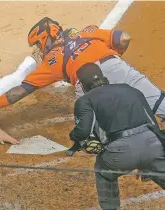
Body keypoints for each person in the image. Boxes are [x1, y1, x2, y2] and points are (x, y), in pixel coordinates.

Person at [0, 17, 165, 124]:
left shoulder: (51, 61)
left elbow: (18, 92)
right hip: (116, 66)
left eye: (37, 44)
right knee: (158, 103)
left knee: (92, 126)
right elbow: (124, 38)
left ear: (45, 38)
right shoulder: (85, 33)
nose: (38, 48)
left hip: (88, 85)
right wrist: (115, 57)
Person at [68, 63, 165, 210]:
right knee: (156, 167)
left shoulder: (84, 101)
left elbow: (82, 132)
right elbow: (152, 123)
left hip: (120, 154)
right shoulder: (130, 89)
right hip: (152, 145)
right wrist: (148, 162)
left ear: (83, 84)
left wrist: (73, 136)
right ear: (102, 77)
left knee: (103, 172)